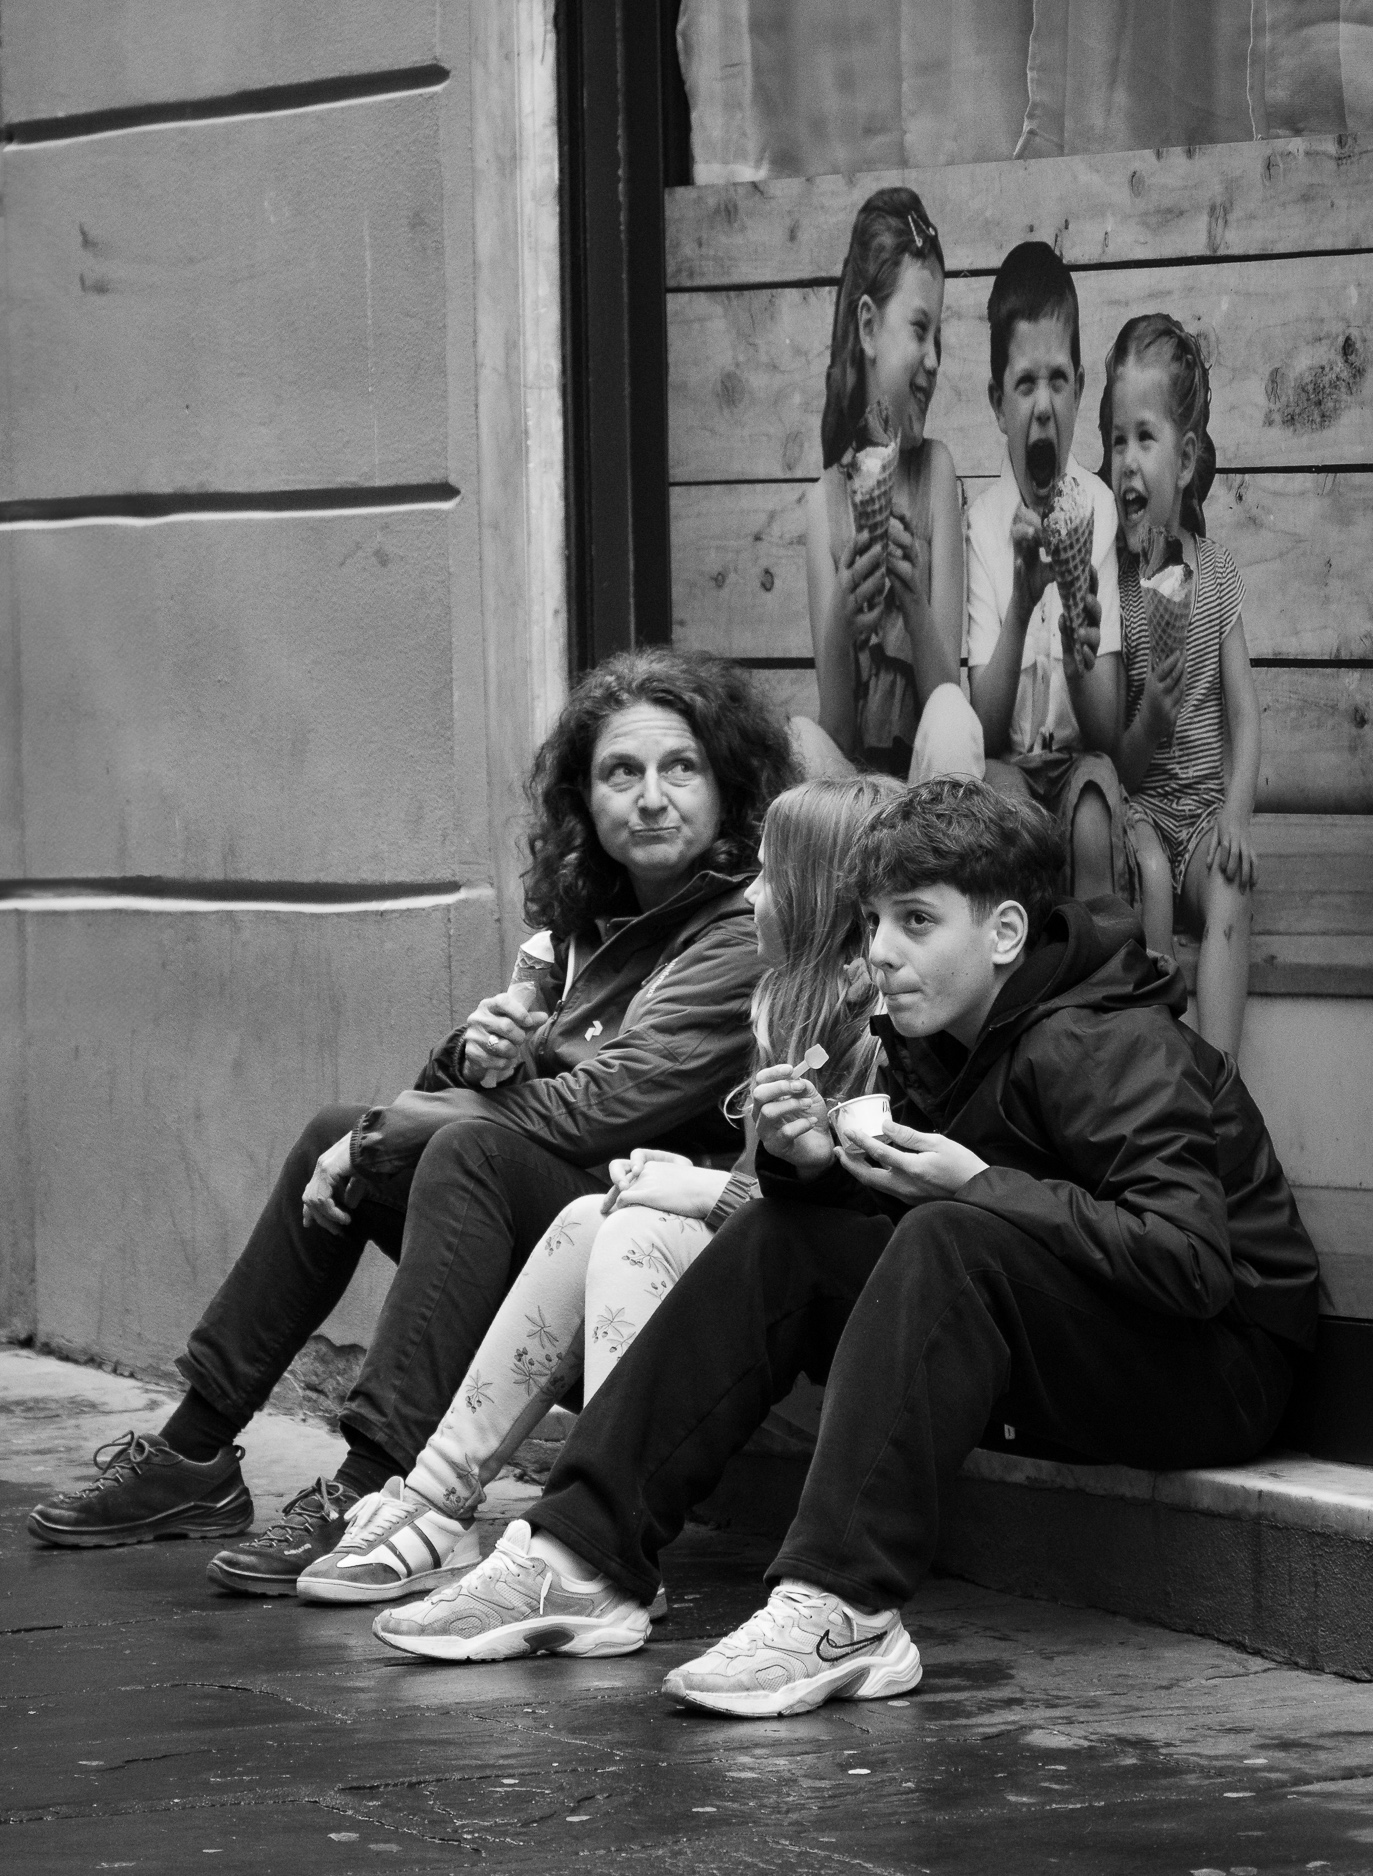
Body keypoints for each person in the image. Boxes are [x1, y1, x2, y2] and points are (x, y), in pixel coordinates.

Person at [366, 779, 1318, 1717]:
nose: (880, 954)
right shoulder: (945, 1032)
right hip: (1079, 1336)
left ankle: (843, 1605)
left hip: (1213, 1366)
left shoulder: (1101, 1042)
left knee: (953, 1233)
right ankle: (579, 1553)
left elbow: (1186, 1263)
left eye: (914, 921)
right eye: (871, 922)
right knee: (785, 1234)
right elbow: (938, 1246)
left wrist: (972, 1185)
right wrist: (812, 1168)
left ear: (1005, 935)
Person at [27, 649, 795, 1593]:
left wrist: (387, 1134)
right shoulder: (585, 925)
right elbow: (489, 1100)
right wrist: (470, 1056)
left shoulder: (739, 933)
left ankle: (376, 1484)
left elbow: (597, 1112)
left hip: (662, 1255)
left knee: (446, 1149)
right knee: (335, 1133)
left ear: (727, 786)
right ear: (584, 800)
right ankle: (193, 1455)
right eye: (619, 773)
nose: (650, 797)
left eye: (681, 768)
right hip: (555, 1214)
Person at [293, 776, 898, 1608]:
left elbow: (853, 1215)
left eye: (768, 875)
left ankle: (600, 1541)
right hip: (768, 1254)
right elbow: (780, 1188)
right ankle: (435, 1500)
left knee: (632, 1228)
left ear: (820, 896)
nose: (751, 894)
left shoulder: (879, 1029)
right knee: (588, 1213)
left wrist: (703, 1192)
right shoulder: (784, 1001)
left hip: (830, 1283)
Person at [1104, 314, 1260, 1056]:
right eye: (1115, 439)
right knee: (1149, 875)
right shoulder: (1117, 590)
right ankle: (1163, 1054)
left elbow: (1246, 718)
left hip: (1200, 816)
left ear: (1187, 456)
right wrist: (1152, 716)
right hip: (1139, 816)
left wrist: (1234, 814)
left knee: (1231, 885)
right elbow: (1121, 764)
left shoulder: (1219, 574)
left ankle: (1222, 1080)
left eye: (1145, 437)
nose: (1126, 461)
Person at [792, 187, 983, 784]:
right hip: (861, 799)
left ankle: (941, 873)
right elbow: (838, 732)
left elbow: (942, 693)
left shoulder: (937, 475)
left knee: (954, 715)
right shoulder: (824, 507)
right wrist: (841, 619)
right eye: (918, 330)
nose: (932, 360)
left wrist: (915, 601)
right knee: (799, 741)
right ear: (870, 328)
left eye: (937, 337)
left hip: (930, 789)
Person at [965, 241, 1133, 901]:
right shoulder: (980, 524)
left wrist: (1073, 645)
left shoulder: (1099, 512)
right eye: (1024, 383)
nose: (1042, 405)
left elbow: (1107, 732)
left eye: (1057, 380)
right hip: (1008, 766)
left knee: (1092, 811)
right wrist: (1020, 601)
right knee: (1004, 813)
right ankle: (1027, 995)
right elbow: (981, 729)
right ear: (996, 400)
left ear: (1081, 387)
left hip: (1077, 762)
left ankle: (1096, 985)